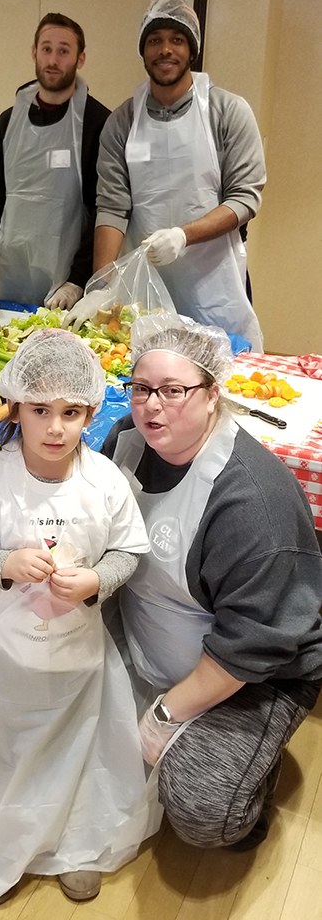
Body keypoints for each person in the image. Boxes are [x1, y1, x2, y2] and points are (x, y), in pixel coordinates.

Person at [0, 328, 153, 905]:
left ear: (92, 411)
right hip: (1, 654)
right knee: (2, 755)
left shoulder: (106, 483)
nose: (55, 428)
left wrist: (97, 579)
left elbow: (128, 552)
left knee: (76, 754)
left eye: (71, 412)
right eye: (40, 410)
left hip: (77, 659)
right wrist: (4, 562)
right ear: (14, 406)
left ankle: (76, 844)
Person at [101, 313, 322, 852]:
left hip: (254, 672)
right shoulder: (126, 440)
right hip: (149, 633)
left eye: (173, 390)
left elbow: (254, 642)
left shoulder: (250, 504)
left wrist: (165, 714)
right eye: (141, 388)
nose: (152, 405)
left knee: (205, 811)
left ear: (212, 395)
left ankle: (254, 771)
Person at [91, 0, 266, 350]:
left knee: (214, 380)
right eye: (154, 40)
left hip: (212, 283)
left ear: (192, 49)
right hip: (145, 286)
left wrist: (183, 236)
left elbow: (245, 197)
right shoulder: (121, 122)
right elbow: (111, 206)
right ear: (143, 52)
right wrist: (100, 286)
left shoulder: (227, 111)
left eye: (177, 39)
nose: (165, 50)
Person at [0, 12, 111, 309]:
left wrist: (78, 280)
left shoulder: (98, 124)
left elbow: (103, 209)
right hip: (8, 278)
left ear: (80, 59)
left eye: (64, 51)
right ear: (34, 53)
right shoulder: (7, 123)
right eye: (46, 49)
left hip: (65, 287)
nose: (53, 59)